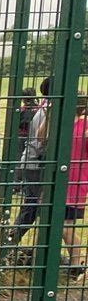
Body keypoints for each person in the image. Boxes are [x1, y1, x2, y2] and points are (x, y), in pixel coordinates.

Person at [2, 77, 52, 253]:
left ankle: (11, 240)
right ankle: (10, 240)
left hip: (32, 160)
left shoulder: (46, 107)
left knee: (33, 205)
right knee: (33, 206)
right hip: (36, 163)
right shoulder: (48, 110)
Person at [65, 94, 88, 281]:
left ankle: (76, 264)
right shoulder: (60, 124)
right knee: (49, 226)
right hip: (57, 180)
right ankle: (73, 264)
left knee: (65, 228)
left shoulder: (84, 126)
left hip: (75, 182)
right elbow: (41, 138)